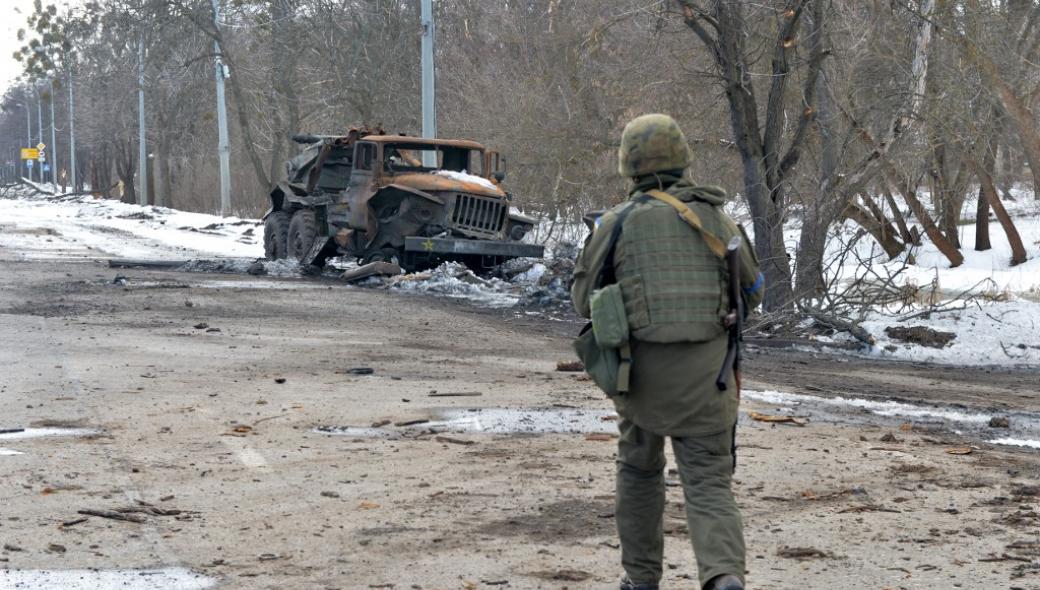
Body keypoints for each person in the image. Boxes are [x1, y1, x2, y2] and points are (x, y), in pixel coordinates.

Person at [571, 114, 764, 590]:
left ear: (628, 166)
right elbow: (754, 290)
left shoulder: (616, 224)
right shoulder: (717, 218)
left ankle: (640, 581)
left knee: (638, 474)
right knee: (710, 484)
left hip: (640, 378)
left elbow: (582, 300)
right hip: (711, 379)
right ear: (683, 159)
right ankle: (723, 578)